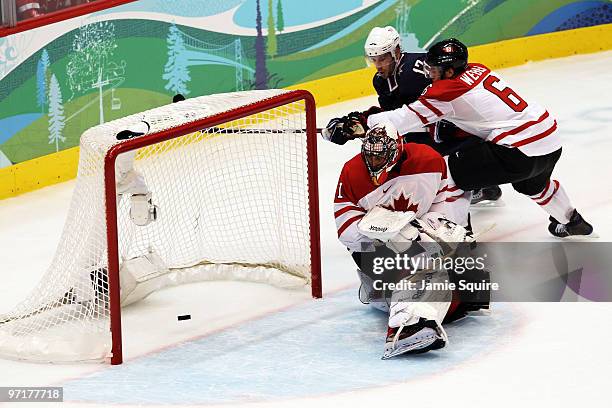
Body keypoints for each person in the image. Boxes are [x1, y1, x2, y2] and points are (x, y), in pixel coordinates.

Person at [366, 38, 593, 238]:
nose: (430, 74)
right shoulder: (478, 69)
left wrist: (362, 123)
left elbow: (402, 119)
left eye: (434, 70)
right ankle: (572, 222)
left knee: (449, 174)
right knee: (534, 186)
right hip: (549, 139)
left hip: (518, 148)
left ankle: (460, 238)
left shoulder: (445, 92)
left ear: (450, 71)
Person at [334, 121, 488, 358]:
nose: (373, 163)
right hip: (370, 248)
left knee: (471, 285)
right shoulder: (352, 172)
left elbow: (439, 205)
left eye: (380, 157)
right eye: (370, 156)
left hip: (416, 234)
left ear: (396, 150)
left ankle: (384, 296)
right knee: (420, 263)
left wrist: (438, 230)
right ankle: (402, 330)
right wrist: (395, 232)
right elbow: (347, 231)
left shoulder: (430, 160)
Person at [322, 26, 502, 206]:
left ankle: (476, 186)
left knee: (417, 150)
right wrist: (354, 124)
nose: (377, 65)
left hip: (454, 125)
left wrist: (366, 124)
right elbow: (394, 115)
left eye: (382, 58)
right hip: (426, 123)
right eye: (373, 59)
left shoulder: (415, 70)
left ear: (397, 51)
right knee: (401, 144)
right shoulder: (380, 80)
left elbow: (445, 93)